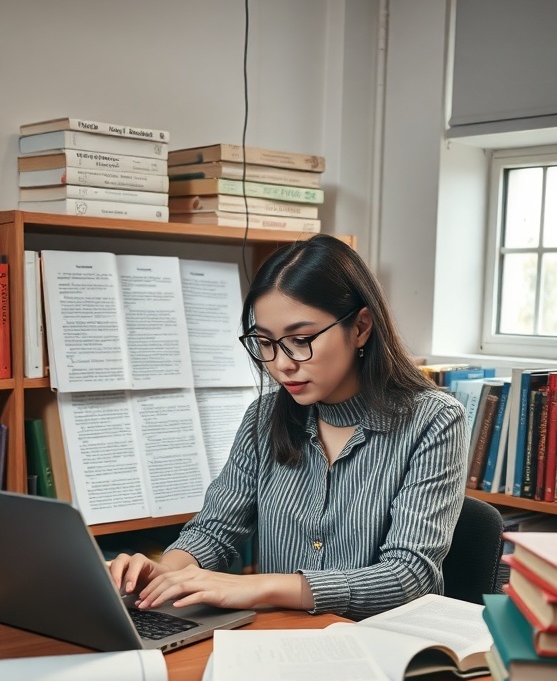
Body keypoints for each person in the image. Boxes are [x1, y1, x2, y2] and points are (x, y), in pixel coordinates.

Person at [110, 234, 469, 621]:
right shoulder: (263, 418)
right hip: (279, 644)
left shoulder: (434, 421)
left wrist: (257, 586)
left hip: (380, 647)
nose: (281, 364)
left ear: (361, 327)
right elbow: (215, 529)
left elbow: (407, 577)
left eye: (299, 340)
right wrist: (168, 572)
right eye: (265, 342)